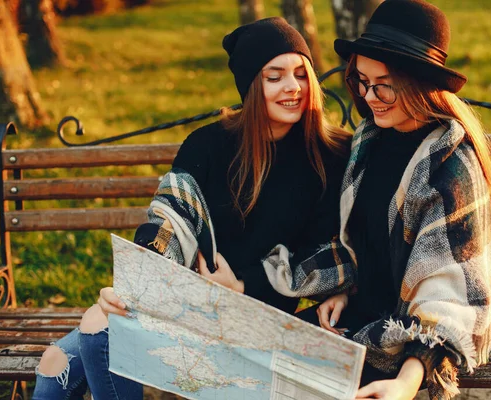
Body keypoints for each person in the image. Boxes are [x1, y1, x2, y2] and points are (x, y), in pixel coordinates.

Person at [32, 17, 353, 400]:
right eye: (274, 76)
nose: (293, 87)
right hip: (185, 300)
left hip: (260, 317)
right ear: (251, 86)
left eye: (301, 73)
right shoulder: (210, 145)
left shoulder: (330, 156)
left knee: (89, 335)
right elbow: (171, 216)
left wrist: (243, 284)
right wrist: (144, 275)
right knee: (61, 358)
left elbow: (328, 253)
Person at [264, 1, 491, 399]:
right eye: (362, 81)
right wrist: (344, 289)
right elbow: (365, 242)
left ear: (419, 82)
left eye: (383, 83)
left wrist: (406, 382)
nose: (370, 96)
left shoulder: (449, 167)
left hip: (409, 338)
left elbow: (448, 295)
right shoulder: (369, 140)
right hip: (363, 318)